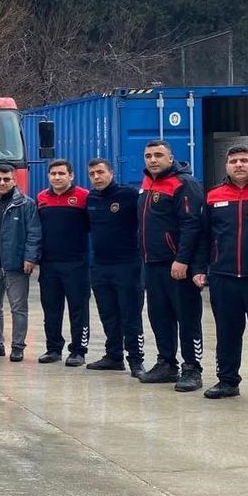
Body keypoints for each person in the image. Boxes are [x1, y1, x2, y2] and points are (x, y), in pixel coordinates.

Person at [193, 145, 248, 408]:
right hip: (224, 277)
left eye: (244, 160)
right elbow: (204, 236)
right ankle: (227, 381)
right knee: (227, 333)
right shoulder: (214, 195)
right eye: (233, 161)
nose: (239, 165)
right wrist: (200, 268)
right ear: (227, 166)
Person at [137, 139, 205, 392]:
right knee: (159, 316)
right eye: (148, 156)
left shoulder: (185, 184)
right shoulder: (147, 183)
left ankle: (192, 368)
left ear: (171, 158)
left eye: (158, 155)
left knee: (187, 318)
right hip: (152, 263)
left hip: (176, 265)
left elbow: (192, 225)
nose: (153, 160)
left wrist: (183, 259)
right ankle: (166, 363)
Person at [85, 158, 146, 377]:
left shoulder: (128, 195)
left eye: (100, 172)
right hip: (100, 266)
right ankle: (114, 356)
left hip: (127, 265)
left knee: (130, 316)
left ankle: (136, 361)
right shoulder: (90, 198)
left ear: (111, 172)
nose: (96, 177)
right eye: (92, 174)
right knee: (108, 314)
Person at [0, 164, 40, 362]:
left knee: (18, 308)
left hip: (15, 266)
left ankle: (18, 347)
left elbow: (34, 233)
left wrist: (30, 258)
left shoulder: (26, 204)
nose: (2, 183)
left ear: (14, 180)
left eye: (6, 179)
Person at [35, 159, 92, 367]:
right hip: (49, 264)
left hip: (76, 264)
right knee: (51, 309)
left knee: (78, 309)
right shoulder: (41, 198)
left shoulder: (84, 197)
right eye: (53, 174)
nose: (57, 177)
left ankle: (78, 351)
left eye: (61, 173)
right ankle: (53, 349)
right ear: (48, 176)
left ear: (71, 176)